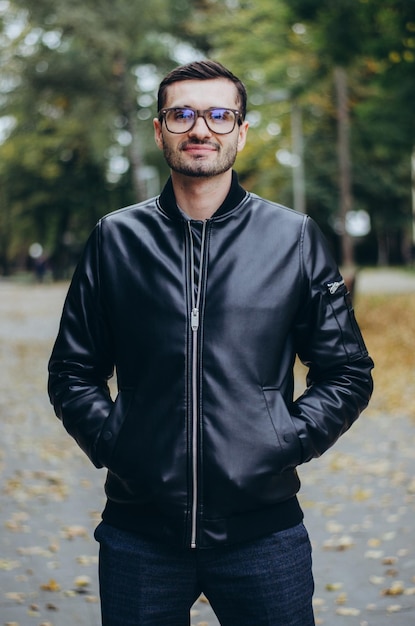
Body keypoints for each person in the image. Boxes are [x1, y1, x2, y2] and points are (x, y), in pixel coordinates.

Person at [48, 60, 374, 626]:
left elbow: (347, 371)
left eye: (220, 115)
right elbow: (72, 371)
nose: (201, 129)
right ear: (159, 130)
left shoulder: (292, 237)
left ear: (240, 131)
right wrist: (117, 442)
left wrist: (285, 442)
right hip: (138, 537)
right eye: (183, 114)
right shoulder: (115, 239)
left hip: (264, 536)